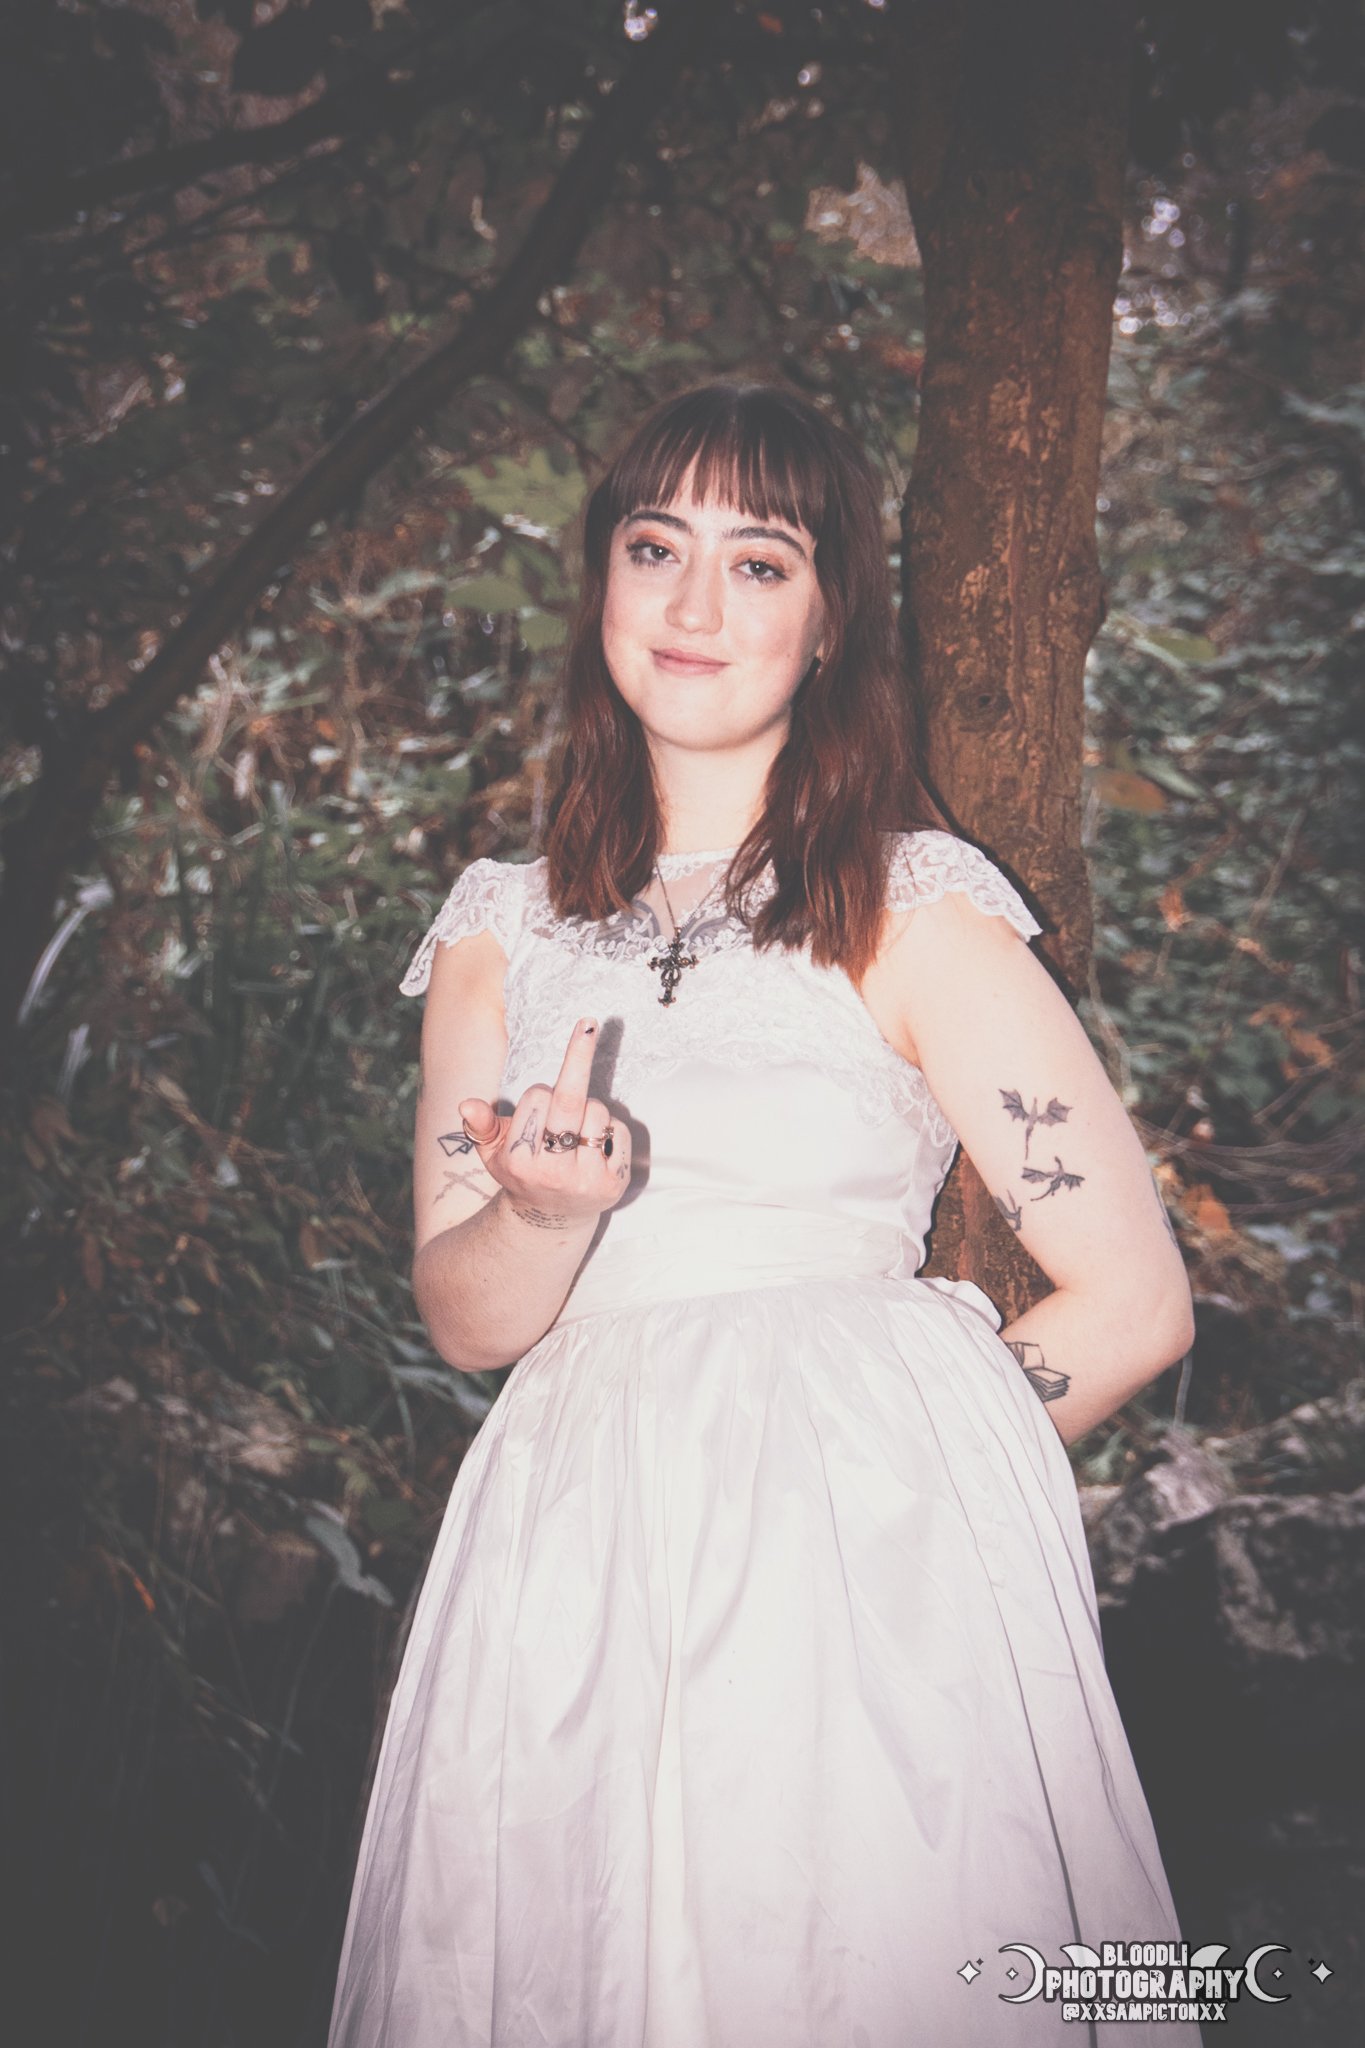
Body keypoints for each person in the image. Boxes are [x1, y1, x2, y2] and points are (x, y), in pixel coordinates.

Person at [327, 382, 1200, 2047]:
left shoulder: (915, 907)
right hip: (571, 1554)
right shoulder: (499, 935)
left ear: (827, 621)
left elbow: (1132, 1301)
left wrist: (908, 1480)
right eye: (654, 547)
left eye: (758, 562)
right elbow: (467, 1321)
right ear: (601, 582)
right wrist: (543, 1215)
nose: (693, 603)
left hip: (862, 1583)